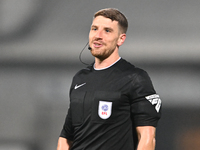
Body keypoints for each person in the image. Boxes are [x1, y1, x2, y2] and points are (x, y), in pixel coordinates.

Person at [57, 8, 161, 150]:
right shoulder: (79, 79)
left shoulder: (135, 78)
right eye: (94, 29)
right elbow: (66, 137)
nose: (98, 35)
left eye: (107, 31)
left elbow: (147, 137)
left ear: (121, 39)